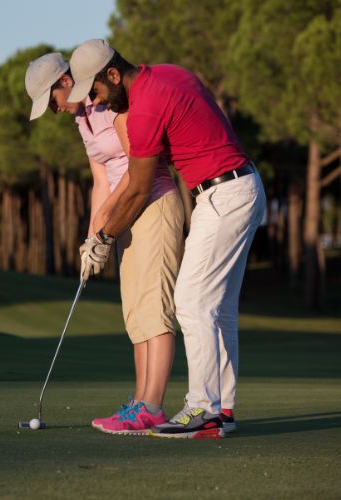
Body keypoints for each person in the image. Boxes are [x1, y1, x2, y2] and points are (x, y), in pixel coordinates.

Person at [66, 39, 266, 438]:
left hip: (223, 194)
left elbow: (139, 189)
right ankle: (222, 409)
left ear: (112, 74)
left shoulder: (144, 110)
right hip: (242, 185)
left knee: (191, 302)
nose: (98, 103)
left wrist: (102, 236)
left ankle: (202, 409)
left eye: (97, 92)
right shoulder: (172, 73)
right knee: (219, 307)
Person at [25, 51, 185, 435]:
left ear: (64, 82)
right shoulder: (83, 120)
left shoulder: (112, 106)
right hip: (126, 215)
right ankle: (139, 402)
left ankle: (153, 406)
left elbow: (135, 172)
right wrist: (90, 238)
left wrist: (104, 232)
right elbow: (102, 183)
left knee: (155, 309)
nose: (53, 110)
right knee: (135, 313)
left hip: (154, 205)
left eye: (51, 102)